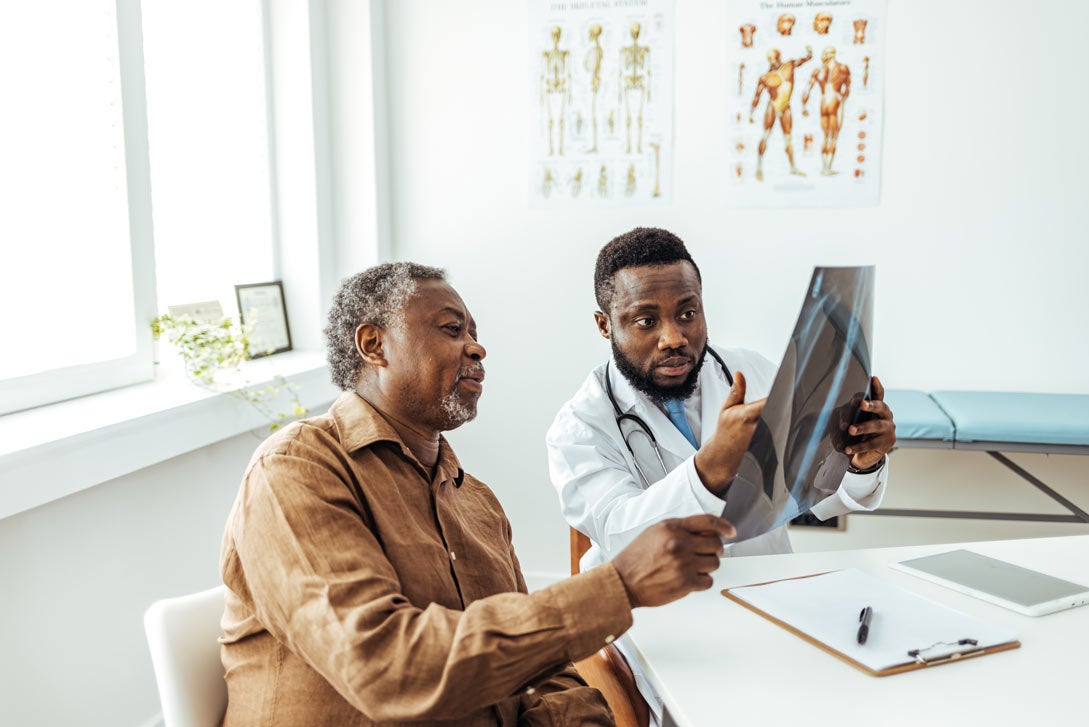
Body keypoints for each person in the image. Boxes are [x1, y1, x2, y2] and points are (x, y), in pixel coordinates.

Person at [218, 262, 735, 726]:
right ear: (373, 345)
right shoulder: (297, 467)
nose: (477, 347)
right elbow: (385, 670)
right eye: (451, 329)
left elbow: (542, 676)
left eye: (475, 333)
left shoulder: (477, 504)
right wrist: (618, 585)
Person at [546, 228, 896, 721]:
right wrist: (711, 467)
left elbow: (813, 494)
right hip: (666, 625)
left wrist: (863, 461)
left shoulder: (749, 371)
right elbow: (623, 535)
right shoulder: (580, 427)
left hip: (771, 597)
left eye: (687, 313)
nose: (674, 337)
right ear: (605, 325)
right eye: (646, 320)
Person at [750, 47, 813, 181]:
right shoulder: (765, 77)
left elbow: (802, 61)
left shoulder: (789, 66)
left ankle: (792, 167)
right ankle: (759, 167)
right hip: (772, 106)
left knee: (788, 138)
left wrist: (809, 54)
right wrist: (751, 112)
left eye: (774, 58)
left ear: (779, 57)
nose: (773, 61)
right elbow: (757, 96)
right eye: (770, 59)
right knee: (766, 135)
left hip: (785, 106)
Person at [802, 47, 851, 176]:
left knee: (825, 136)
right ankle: (828, 167)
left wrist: (804, 106)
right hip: (835, 98)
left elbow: (807, 89)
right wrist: (842, 100)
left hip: (824, 101)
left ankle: (824, 166)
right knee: (834, 136)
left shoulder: (818, 71)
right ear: (834, 54)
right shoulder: (843, 68)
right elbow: (847, 88)